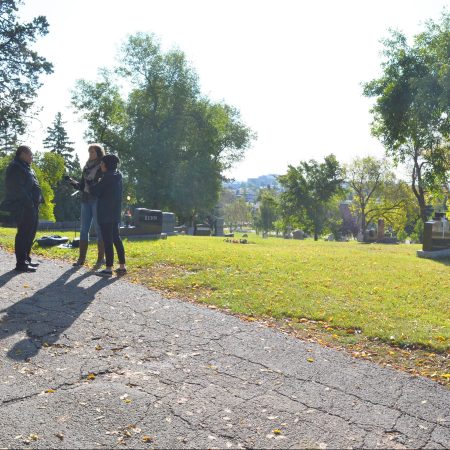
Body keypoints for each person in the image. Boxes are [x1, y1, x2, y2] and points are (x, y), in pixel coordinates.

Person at [0, 145, 42, 272]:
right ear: (22, 154)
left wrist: (39, 201)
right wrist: (29, 203)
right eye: (30, 155)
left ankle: (26, 259)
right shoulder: (15, 167)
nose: (32, 157)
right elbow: (17, 188)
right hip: (23, 206)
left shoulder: (27, 168)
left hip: (33, 206)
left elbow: (34, 185)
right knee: (23, 233)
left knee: (30, 233)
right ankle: (21, 263)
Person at [67, 144, 105, 268]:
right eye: (89, 152)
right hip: (85, 200)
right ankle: (81, 259)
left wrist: (92, 184)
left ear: (99, 153)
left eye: (92, 152)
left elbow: (102, 185)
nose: (90, 154)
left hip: (97, 201)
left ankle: (100, 259)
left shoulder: (102, 166)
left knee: (99, 229)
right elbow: (83, 185)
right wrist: (73, 182)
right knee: (84, 229)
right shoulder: (86, 166)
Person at [90, 154, 126, 277]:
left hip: (105, 213)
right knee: (116, 238)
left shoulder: (107, 178)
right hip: (115, 212)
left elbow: (94, 191)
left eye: (102, 163)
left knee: (107, 240)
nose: (100, 165)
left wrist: (93, 181)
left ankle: (108, 268)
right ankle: (122, 266)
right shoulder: (118, 176)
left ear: (106, 165)